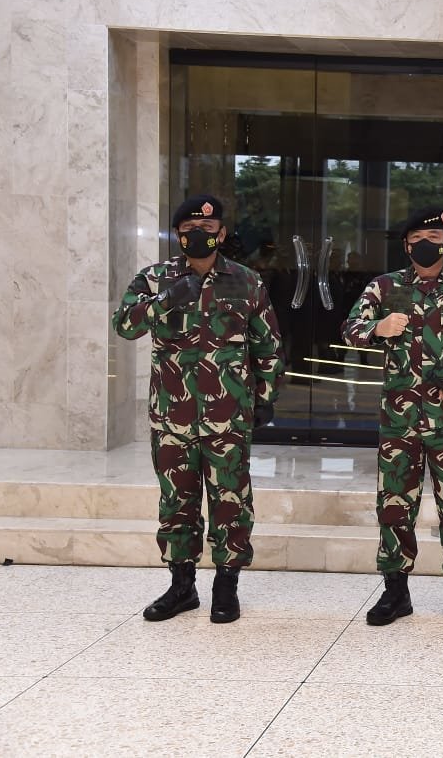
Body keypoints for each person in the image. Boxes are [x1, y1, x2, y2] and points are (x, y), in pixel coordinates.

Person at [112, 194, 283, 624]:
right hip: (173, 417)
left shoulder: (246, 282)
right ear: (177, 235)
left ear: (221, 234)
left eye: (207, 229)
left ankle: (226, 586)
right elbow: (125, 325)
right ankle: (181, 586)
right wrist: (166, 300)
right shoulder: (155, 279)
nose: (198, 235)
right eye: (189, 230)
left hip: (228, 415)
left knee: (231, 501)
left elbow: (267, 346)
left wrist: (264, 399)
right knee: (177, 502)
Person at [342, 207, 443, 628]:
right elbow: (349, 329)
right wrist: (377, 328)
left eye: (433, 238)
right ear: (406, 245)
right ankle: (396, 592)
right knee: (395, 505)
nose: (425, 245)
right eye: (417, 239)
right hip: (400, 420)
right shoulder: (385, 287)